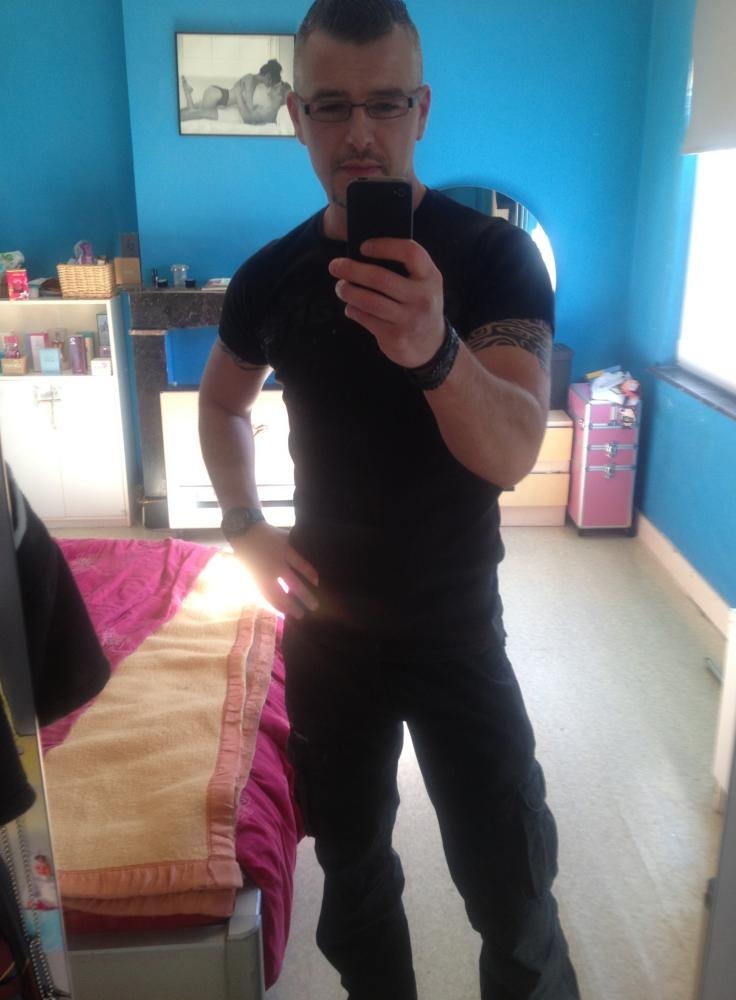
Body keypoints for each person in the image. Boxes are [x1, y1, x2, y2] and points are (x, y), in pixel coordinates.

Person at [198, 1, 580, 997]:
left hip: (457, 626)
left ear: (423, 109)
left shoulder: (495, 259)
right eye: (331, 106)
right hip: (327, 629)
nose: (359, 132)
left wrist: (433, 350)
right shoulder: (270, 276)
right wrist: (245, 527)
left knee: (514, 892)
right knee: (356, 874)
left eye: (386, 103)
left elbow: (513, 449)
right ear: (296, 117)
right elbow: (222, 404)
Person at [181, 59, 290, 125]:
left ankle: (188, 93)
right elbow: (249, 105)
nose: (269, 86)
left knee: (192, 111)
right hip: (219, 96)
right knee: (196, 113)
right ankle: (185, 98)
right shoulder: (251, 80)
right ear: (267, 76)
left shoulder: (251, 79)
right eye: (270, 82)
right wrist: (253, 108)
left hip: (217, 94)